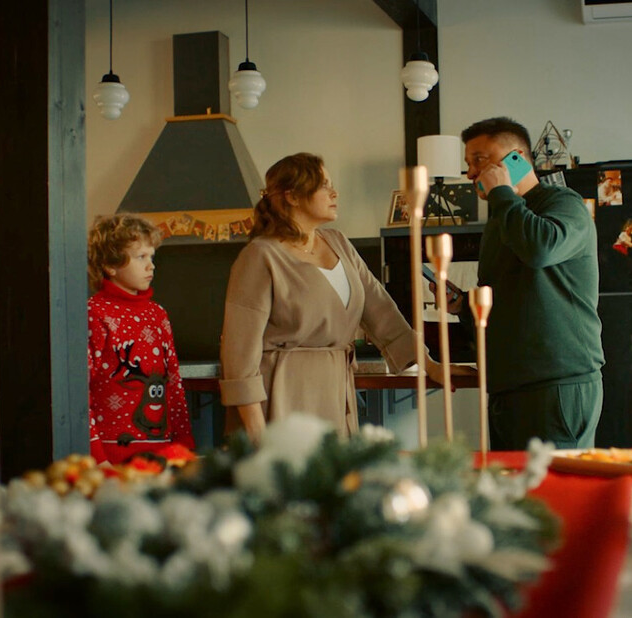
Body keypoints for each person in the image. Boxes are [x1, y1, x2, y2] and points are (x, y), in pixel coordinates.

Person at [220, 153, 450, 443]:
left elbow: (381, 310)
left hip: (335, 389)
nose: (334, 193)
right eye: (324, 185)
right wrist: (257, 435)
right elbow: (239, 351)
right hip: (281, 392)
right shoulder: (260, 255)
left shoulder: (338, 243)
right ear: (292, 196)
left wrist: (430, 364)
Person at [462, 117, 605, 450]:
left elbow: (541, 249)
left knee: (554, 482)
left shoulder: (563, 203)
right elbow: (508, 296)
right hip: (508, 388)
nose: (470, 173)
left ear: (517, 158)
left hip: (557, 386)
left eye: (479, 160)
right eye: (468, 163)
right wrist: (463, 307)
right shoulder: (501, 219)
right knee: (511, 484)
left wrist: (502, 192)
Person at [86, 214, 195, 465]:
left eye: (152, 257)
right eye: (141, 257)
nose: (151, 266)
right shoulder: (94, 313)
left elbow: (173, 382)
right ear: (110, 265)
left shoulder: (158, 314)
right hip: (111, 456)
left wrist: (184, 445)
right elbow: (82, 392)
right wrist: (97, 457)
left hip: (163, 454)